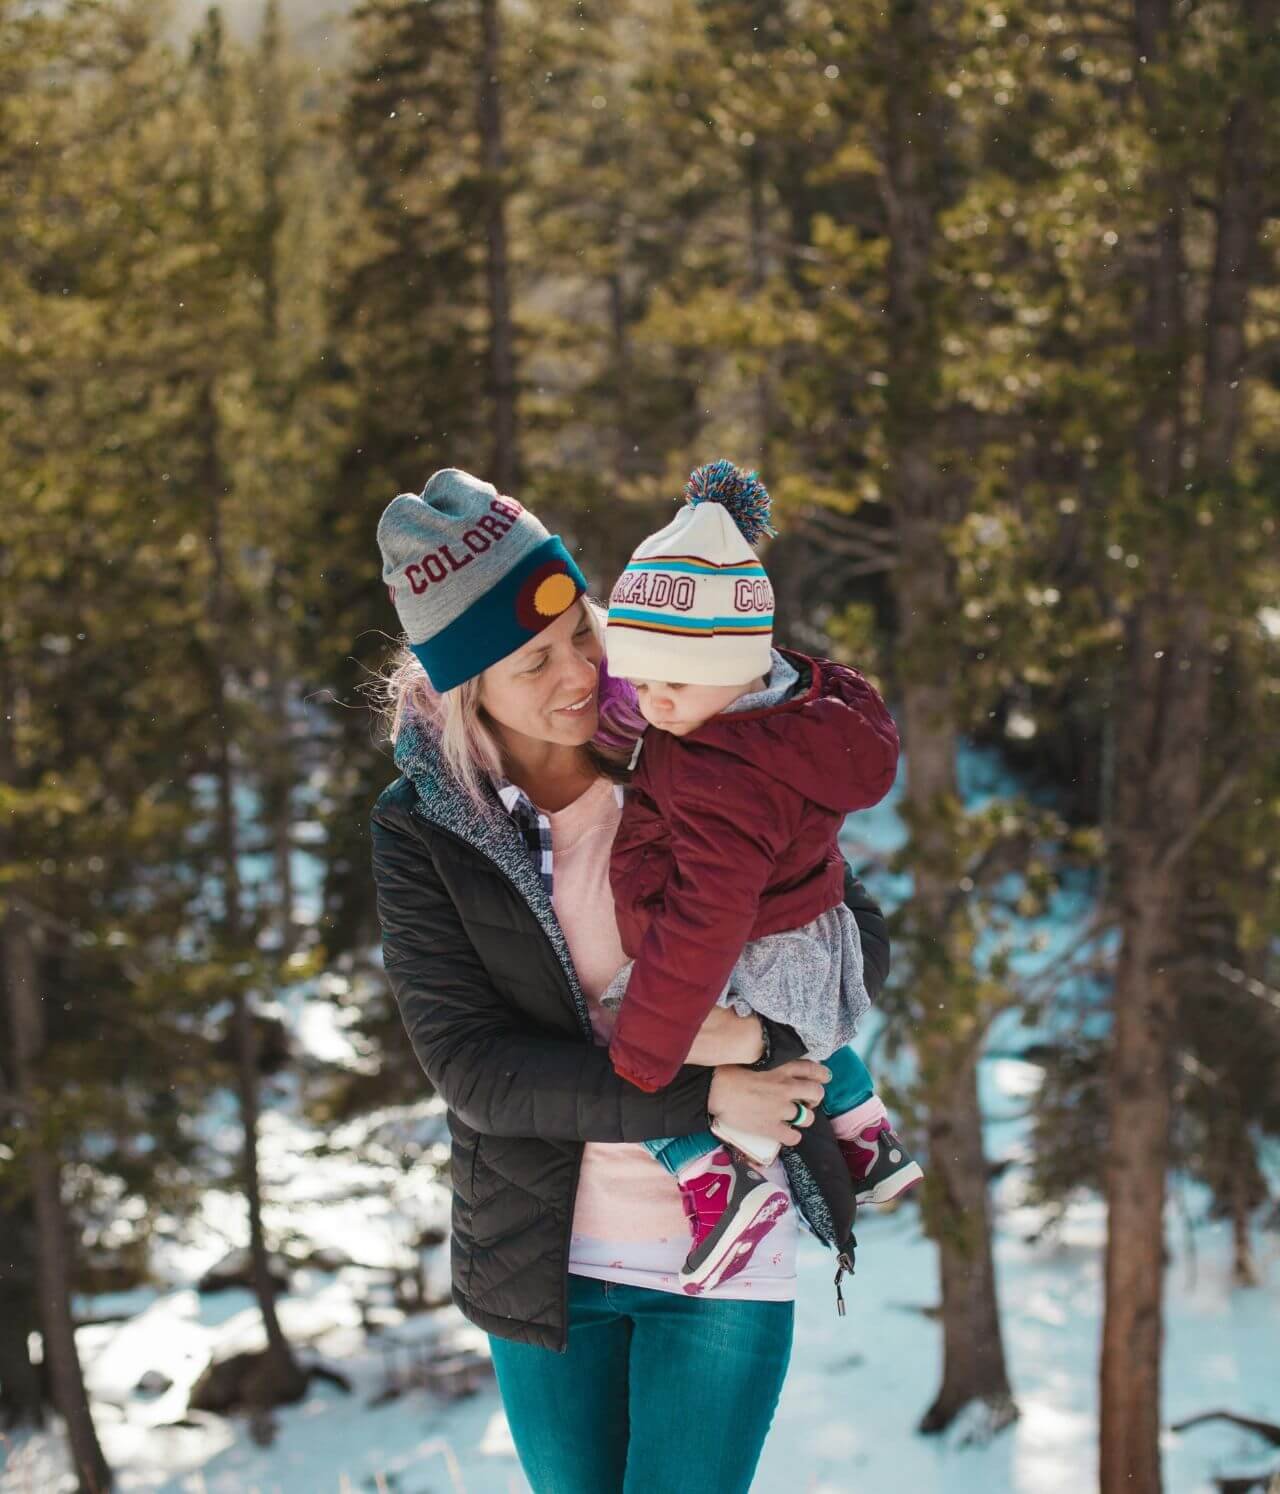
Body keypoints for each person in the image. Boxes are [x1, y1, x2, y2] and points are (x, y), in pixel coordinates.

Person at [370, 466, 891, 1494]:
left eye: (579, 633)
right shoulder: (423, 826)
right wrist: (704, 1086)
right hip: (543, 1263)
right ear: (463, 685)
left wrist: (761, 1041)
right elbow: (476, 1073)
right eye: (532, 662)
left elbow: (850, 934)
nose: (577, 673)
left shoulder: (690, 734)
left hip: (724, 1252)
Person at [601, 459, 923, 1295]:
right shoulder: (791, 713)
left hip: (758, 956)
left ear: (735, 660)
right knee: (791, 1017)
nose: (652, 702)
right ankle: (861, 1127)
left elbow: (707, 918)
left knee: (625, 1024)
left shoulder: (719, 773)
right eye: (638, 680)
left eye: (671, 681)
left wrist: (645, 1049)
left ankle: (719, 1179)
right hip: (814, 942)